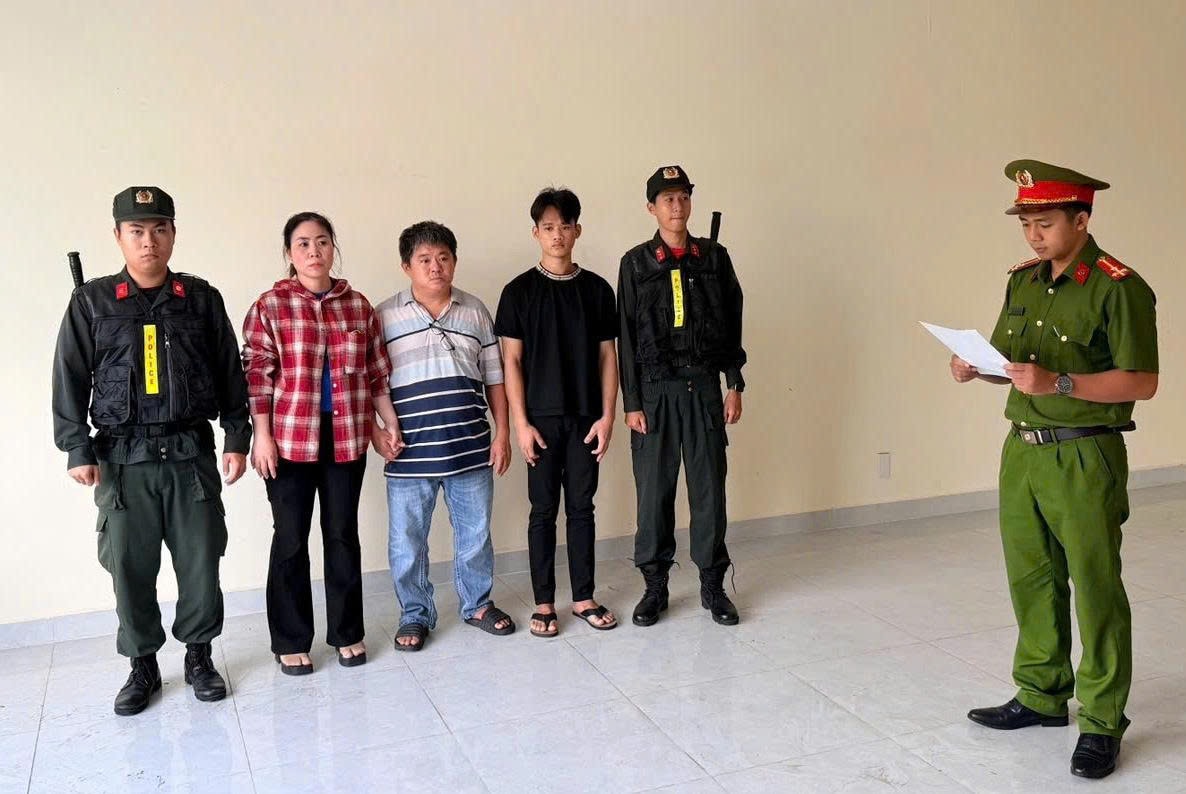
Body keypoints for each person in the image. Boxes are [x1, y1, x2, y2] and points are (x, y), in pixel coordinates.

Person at [953, 159, 1158, 780]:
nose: (1034, 235)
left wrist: (1060, 382)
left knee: (1094, 587)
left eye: (1045, 223)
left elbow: (1142, 382)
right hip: (1023, 451)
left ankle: (1101, 721)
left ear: (1081, 219)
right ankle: (1042, 695)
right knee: (1032, 577)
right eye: (1026, 224)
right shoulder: (1023, 282)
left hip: (1084, 452)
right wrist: (977, 368)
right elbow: (1015, 365)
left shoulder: (1119, 287)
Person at [52, 186, 250, 715]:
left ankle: (199, 658)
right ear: (118, 236)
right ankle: (142, 666)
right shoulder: (92, 302)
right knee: (129, 568)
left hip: (189, 456)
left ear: (173, 234)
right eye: (137, 231)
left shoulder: (200, 299)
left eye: (159, 229)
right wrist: (76, 448)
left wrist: (237, 437)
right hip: (122, 460)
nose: (149, 241)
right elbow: (69, 376)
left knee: (201, 562)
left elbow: (230, 370)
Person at [242, 212, 397, 675]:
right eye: (304, 243)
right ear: (290, 254)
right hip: (289, 440)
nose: (314, 251)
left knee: (342, 535)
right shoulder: (270, 306)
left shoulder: (358, 306)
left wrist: (387, 424)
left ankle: (347, 632)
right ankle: (290, 639)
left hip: (346, 437)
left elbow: (375, 373)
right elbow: (257, 376)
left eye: (322, 242)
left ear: (333, 248)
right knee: (290, 539)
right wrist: (261, 436)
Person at [617, 165, 747, 627]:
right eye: (667, 199)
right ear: (651, 208)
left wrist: (734, 382)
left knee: (709, 490)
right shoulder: (636, 263)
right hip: (655, 396)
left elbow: (732, 322)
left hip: (703, 388)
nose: (677, 206)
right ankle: (655, 587)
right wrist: (632, 402)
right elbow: (626, 337)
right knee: (654, 494)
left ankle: (713, 586)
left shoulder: (714, 257)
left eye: (683, 197)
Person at [374, 221, 514, 651]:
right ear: (406, 266)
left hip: (470, 447)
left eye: (443, 258)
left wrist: (503, 434)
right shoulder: (383, 316)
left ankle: (477, 604)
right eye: (424, 260)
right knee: (407, 544)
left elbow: (495, 379)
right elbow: (370, 381)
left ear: (454, 261)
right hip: (409, 454)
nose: (435, 267)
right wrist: (377, 432)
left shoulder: (475, 311)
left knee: (475, 535)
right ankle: (415, 614)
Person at [495, 188, 619, 637]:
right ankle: (544, 602)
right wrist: (521, 424)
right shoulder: (518, 292)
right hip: (540, 421)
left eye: (565, 226)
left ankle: (584, 597)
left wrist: (608, 417)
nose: (557, 234)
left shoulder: (598, 290)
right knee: (543, 510)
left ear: (577, 230)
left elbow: (608, 357)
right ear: (536, 233)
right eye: (548, 227)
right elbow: (510, 362)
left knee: (582, 508)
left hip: (587, 418)